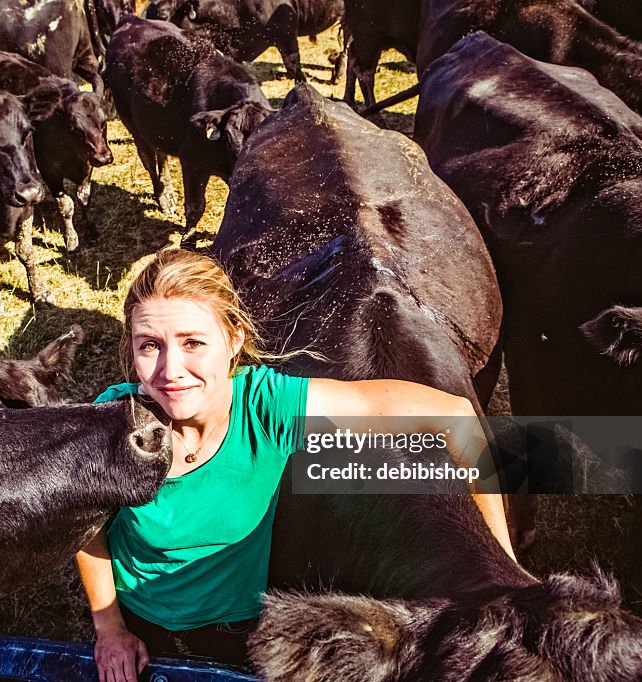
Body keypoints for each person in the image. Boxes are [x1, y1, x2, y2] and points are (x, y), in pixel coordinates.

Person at [77, 248, 515, 682]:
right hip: (139, 623)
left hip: (243, 626)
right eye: (150, 346)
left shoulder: (267, 407)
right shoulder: (112, 419)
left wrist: (501, 565)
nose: (171, 370)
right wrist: (108, 626)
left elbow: (455, 417)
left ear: (232, 340)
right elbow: (85, 527)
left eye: (193, 343)